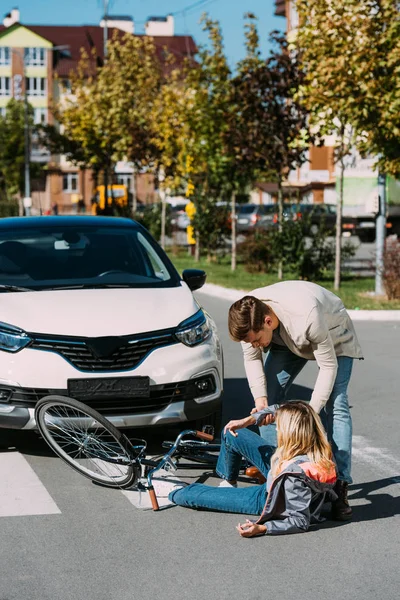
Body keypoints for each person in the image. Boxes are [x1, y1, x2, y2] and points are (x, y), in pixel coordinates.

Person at [227, 280, 363, 521]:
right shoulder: (249, 313)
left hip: (332, 335)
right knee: (268, 399)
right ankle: (277, 471)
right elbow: (252, 359)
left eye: (255, 339)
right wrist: (261, 402)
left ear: (267, 322)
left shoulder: (307, 315)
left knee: (337, 403)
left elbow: (328, 366)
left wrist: (309, 412)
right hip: (284, 339)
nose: (254, 346)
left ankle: (340, 484)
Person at [169, 402, 337, 537]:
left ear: (291, 432)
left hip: (269, 498)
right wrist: (248, 421)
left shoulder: (295, 477)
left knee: (189, 496)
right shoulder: (319, 446)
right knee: (231, 431)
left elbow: (299, 521)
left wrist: (263, 528)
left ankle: (170, 491)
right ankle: (229, 482)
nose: (277, 428)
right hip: (281, 469)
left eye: (280, 426)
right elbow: (279, 408)